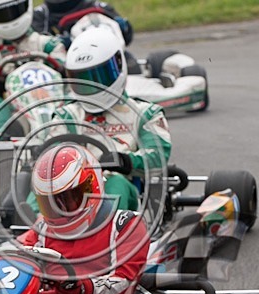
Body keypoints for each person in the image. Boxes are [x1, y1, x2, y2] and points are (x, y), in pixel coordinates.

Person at [16, 143, 149, 294]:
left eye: (69, 198)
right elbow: (14, 253)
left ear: (92, 187)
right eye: (52, 202)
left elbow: (123, 283)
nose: (62, 210)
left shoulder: (125, 226)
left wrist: (80, 287)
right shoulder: (43, 229)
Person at [40, 26, 173, 211]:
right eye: (83, 80)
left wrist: (125, 162)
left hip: (124, 187)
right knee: (43, 186)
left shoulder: (145, 113)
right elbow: (50, 160)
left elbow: (157, 157)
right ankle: (28, 232)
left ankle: (104, 231)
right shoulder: (67, 116)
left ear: (119, 65)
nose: (92, 87)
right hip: (71, 192)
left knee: (115, 182)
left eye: (98, 77)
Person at [0, 0, 67, 136]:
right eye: (0, 14)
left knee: (71, 92)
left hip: (50, 103)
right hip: (11, 112)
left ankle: (76, 134)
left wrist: (63, 73)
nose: (8, 19)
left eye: (14, 11)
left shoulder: (49, 44)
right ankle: (1, 145)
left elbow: (69, 78)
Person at [32, 0, 133, 47]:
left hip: (109, 55)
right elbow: (39, 48)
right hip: (69, 64)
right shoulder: (40, 15)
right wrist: (61, 44)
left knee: (131, 64)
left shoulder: (98, 6)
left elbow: (126, 38)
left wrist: (124, 27)